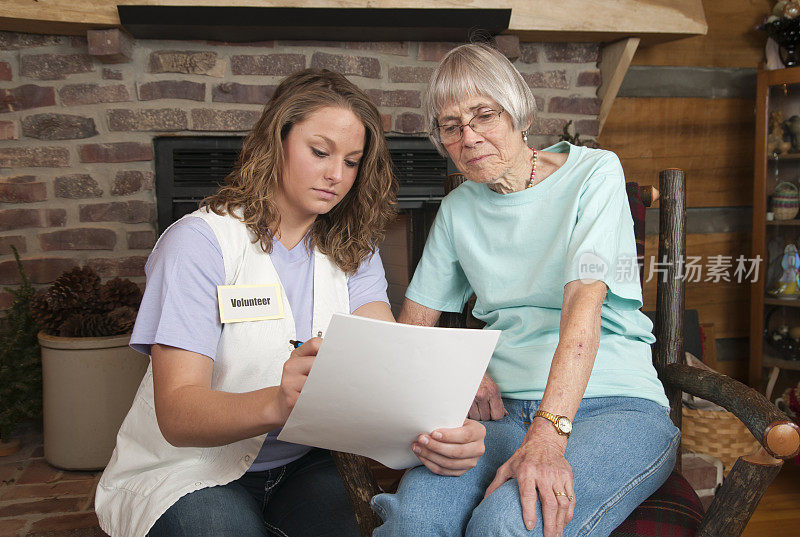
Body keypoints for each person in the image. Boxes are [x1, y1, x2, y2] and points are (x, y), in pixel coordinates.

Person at [95, 68, 484, 537]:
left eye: (352, 161)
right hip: (189, 470)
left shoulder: (353, 252)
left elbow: (389, 373)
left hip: (304, 463)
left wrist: (451, 432)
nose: (335, 175)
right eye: (319, 152)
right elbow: (178, 414)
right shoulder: (199, 244)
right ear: (276, 140)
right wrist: (279, 402)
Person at [372, 44, 680, 537]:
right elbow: (414, 327)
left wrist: (549, 432)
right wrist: (459, 375)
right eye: (451, 127)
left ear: (518, 111)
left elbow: (583, 305)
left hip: (614, 405)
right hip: (501, 414)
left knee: (506, 525)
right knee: (415, 521)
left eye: (483, 116)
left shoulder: (594, 174)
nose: (469, 137)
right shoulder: (458, 209)